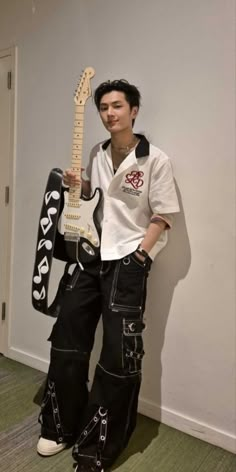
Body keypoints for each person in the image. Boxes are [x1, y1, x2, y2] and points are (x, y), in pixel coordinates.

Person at [36, 79, 180, 472]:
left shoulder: (155, 160)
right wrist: (76, 185)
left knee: (118, 356)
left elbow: (163, 215)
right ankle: (60, 424)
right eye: (103, 107)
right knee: (67, 338)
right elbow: (93, 202)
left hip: (127, 263)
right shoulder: (97, 152)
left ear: (134, 111)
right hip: (88, 256)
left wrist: (140, 256)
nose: (110, 113)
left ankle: (98, 443)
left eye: (117, 106)